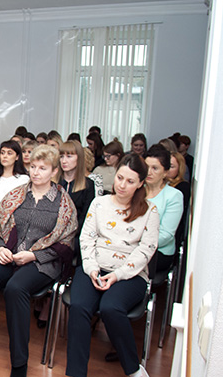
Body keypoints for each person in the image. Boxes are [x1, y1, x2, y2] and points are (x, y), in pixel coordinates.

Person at [0, 145, 77, 377]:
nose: (36, 172)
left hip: (41, 261)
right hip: (9, 254)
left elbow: (65, 242)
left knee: (15, 288)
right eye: (33, 167)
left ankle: (19, 362)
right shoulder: (16, 194)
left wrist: (34, 255)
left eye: (43, 168)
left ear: (54, 172)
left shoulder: (63, 203)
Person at [66, 154, 159, 377]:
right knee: (79, 306)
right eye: (119, 178)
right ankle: (76, 373)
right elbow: (86, 238)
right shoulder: (99, 203)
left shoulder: (149, 211)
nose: (122, 185)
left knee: (110, 307)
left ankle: (134, 369)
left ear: (140, 184)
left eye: (130, 181)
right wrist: (92, 268)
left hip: (129, 275)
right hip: (95, 267)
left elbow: (146, 249)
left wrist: (117, 275)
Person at [144, 144, 183, 273]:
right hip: (131, 246)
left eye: (155, 168)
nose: (149, 172)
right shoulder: (137, 191)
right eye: (147, 167)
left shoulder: (173, 196)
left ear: (165, 172)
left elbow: (166, 235)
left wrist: (138, 244)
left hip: (158, 252)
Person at [0, 140, 29, 212]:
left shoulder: (23, 179)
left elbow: (16, 203)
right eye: (2, 153)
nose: (5, 156)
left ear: (17, 157)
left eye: (9, 153)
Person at [59, 141, 96, 232]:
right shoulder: (54, 182)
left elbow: (85, 216)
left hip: (76, 233)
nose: (64, 161)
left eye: (69, 156)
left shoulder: (88, 185)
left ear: (79, 158)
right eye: (61, 156)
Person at [167, 152, 191, 244]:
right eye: (166, 165)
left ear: (179, 168)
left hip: (173, 234)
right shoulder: (158, 185)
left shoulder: (182, 186)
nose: (168, 169)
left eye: (172, 166)